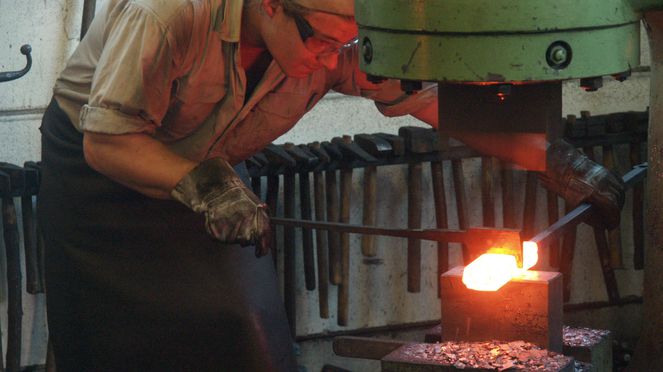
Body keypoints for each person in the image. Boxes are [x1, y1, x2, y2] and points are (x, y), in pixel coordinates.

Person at [38, 0, 624, 371]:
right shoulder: (166, 13)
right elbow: (107, 140)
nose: (331, 58)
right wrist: (202, 185)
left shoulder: (333, 32)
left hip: (213, 171)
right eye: (320, 41)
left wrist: (557, 162)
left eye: (343, 44)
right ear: (269, 5)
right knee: (111, 347)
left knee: (250, 333)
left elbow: (429, 101)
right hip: (102, 176)